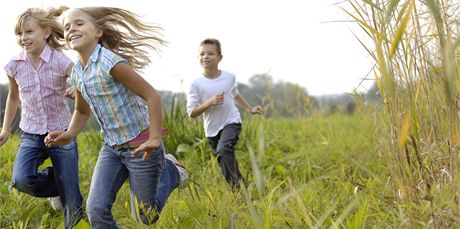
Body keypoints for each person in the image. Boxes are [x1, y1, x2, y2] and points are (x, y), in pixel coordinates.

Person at [44, 7, 189, 228]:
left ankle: (172, 171)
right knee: (96, 210)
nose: (71, 28)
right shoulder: (76, 73)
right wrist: (69, 134)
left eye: (79, 23)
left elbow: (152, 96)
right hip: (112, 148)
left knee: (145, 216)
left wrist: (155, 138)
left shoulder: (109, 62)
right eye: (67, 27)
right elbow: (82, 111)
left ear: (98, 32)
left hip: (142, 146)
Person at [0, 7, 83, 228]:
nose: (23, 38)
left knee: (72, 200)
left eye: (28, 32)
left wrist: (75, 89)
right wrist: (6, 129)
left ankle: (68, 195)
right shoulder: (14, 65)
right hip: (31, 133)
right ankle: (60, 184)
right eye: (19, 34)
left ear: (46, 32)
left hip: (62, 133)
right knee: (21, 179)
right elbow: (13, 98)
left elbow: (80, 80)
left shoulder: (60, 60)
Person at [186, 38, 263, 188]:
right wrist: (210, 102)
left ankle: (242, 190)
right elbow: (192, 113)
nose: (206, 56)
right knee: (223, 159)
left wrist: (250, 109)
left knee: (224, 149)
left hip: (231, 121)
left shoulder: (229, 77)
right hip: (211, 129)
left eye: (210, 53)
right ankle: (239, 190)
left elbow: (234, 94)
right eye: (202, 54)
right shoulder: (196, 83)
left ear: (220, 57)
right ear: (198, 58)